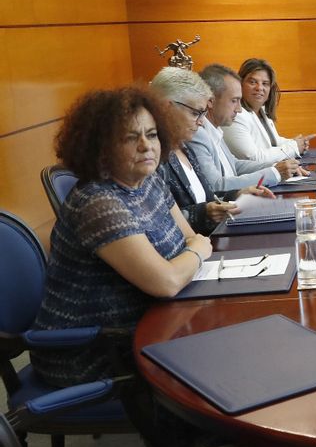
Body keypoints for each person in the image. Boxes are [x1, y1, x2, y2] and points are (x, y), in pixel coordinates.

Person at [31, 87, 213, 387]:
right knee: (222, 363)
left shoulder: (149, 180)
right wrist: (194, 254)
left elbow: (191, 238)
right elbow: (167, 280)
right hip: (93, 353)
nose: (146, 146)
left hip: (153, 324)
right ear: (100, 148)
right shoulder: (97, 203)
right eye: (130, 138)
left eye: (152, 134)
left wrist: (191, 252)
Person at [150, 67, 274, 234]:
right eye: (196, 113)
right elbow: (157, 224)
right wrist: (204, 214)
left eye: (203, 114)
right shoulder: (152, 160)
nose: (201, 122)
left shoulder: (185, 148)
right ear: (166, 108)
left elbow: (208, 198)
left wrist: (236, 195)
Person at [189, 63, 302, 192]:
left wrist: (277, 166)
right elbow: (216, 186)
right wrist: (274, 173)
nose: (239, 109)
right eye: (234, 101)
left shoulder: (215, 129)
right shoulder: (197, 134)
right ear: (210, 101)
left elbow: (235, 165)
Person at [223, 58, 316, 163]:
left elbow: (273, 142)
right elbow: (253, 158)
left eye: (265, 83)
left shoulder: (261, 112)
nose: (259, 88)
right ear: (240, 84)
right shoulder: (236, 116)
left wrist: (298, 143)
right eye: (253, 82)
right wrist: (294, 148)